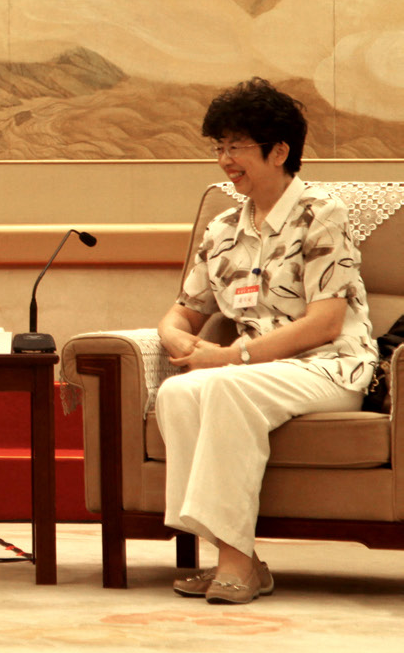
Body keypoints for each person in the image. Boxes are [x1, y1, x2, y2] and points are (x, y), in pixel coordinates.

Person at [156, 79, 378, 605]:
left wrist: (227, 357)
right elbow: (184, 310)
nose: (224, 160)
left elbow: (326, 323)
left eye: (236, 146)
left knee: (224, 386)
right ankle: (238, 558)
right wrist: (174, 337)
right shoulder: (223, 229)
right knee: (177, 392)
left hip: (329, 367)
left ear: (279, 151)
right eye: (219, 147)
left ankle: (235, 563)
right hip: (255, 372)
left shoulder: (322, 214)